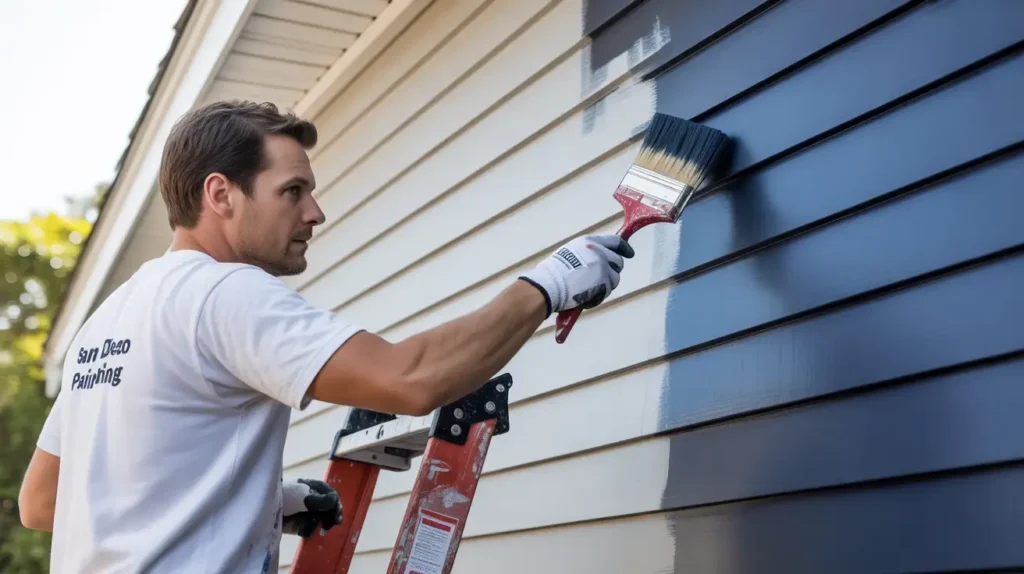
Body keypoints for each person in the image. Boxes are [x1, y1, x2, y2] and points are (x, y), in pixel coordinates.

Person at [18, 100, 633, 573]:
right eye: (293, 191)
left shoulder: (108, 322)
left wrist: (265, 500)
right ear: (219, 194)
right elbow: (409, 379)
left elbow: (44, 502)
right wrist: (548, 284)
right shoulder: (224, 294)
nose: (315, 213)